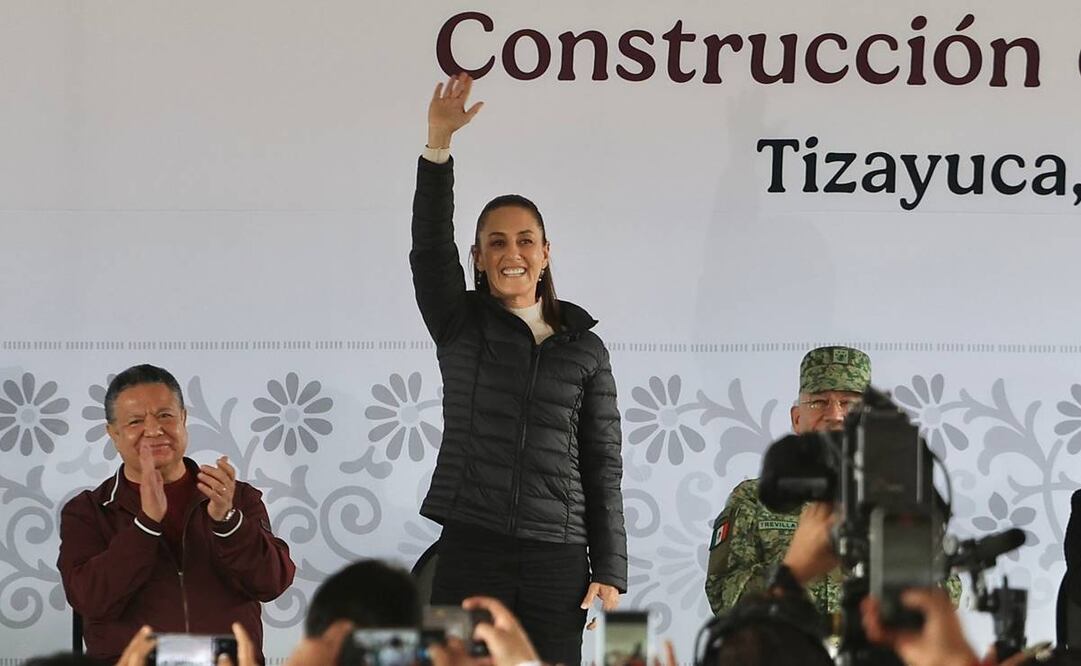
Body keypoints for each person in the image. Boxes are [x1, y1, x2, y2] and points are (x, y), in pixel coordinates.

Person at [410, 73, 627, 666]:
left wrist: (608, 566)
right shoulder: (460, 323)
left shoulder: (585, 348)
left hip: (558, 557)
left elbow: (603, 462)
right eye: (497, 243)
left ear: (546, 252)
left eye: (526, 240)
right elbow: (430, 248)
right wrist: (438, 145)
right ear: (477, 258)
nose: (513, 254)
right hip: (471, 544)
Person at [57, 364, 295, 664]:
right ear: (113, 433)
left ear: (183, 419)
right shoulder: (89, 511)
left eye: (165, 415)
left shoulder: (235, 496)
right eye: (135, 421)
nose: (154, 430)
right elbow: (89, 599)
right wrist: (146, 524)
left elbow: (272, 582)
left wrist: (228, 522)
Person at [705, 345, 872, 614]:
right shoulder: (755, 498)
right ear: (797, 419)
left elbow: (945, 593)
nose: (835, 415)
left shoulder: (896, 498)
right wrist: (794, 568)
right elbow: (725, 603)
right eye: (819, 402)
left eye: (849, 403)